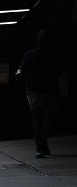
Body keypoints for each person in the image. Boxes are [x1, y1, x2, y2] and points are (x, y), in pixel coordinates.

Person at [17, 29, 63, 158]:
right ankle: (41, 145)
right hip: (44, 90)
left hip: (38, 90)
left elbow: (22, 70)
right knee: (43, 119)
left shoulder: (31, 54)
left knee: (41, 119)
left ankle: (41, 145)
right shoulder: (55, 54)